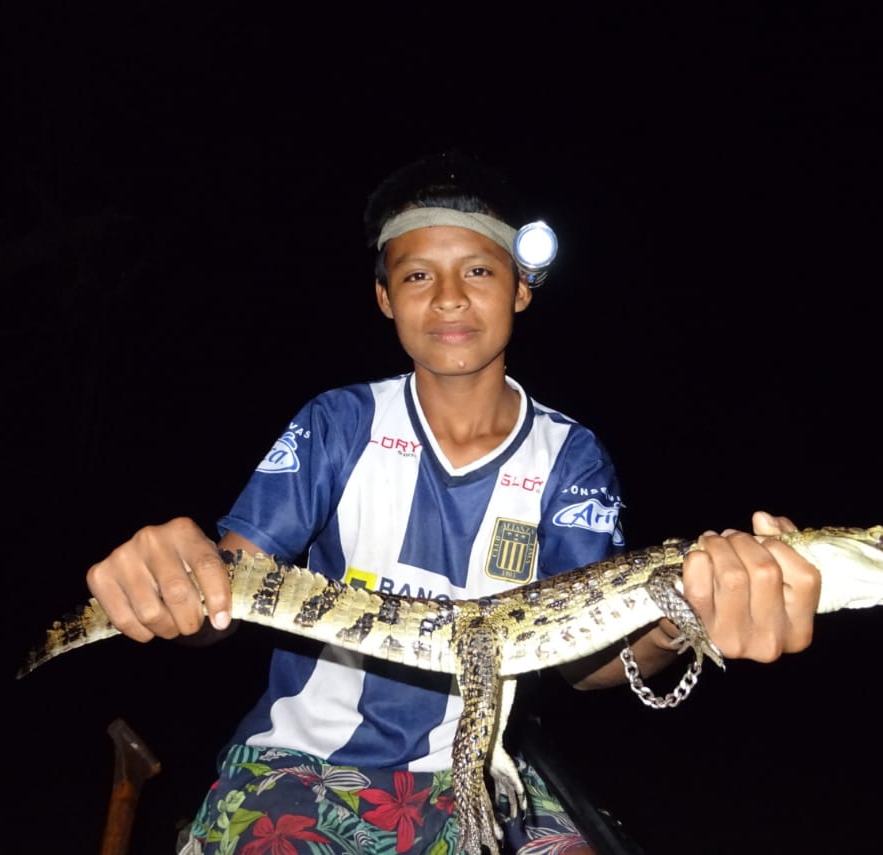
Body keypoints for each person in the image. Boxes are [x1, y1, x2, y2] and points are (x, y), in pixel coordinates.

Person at [85, 150, 822, 855]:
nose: (448, 297)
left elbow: (585, 660)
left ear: (520, 287)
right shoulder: (337, 423)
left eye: (477, 269)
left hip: (486, 774)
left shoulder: (572, 455)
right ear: (384, 297)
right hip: (302, 764)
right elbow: (230, 591)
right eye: (416, 275)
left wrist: (679, 621)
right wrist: (174, 585)